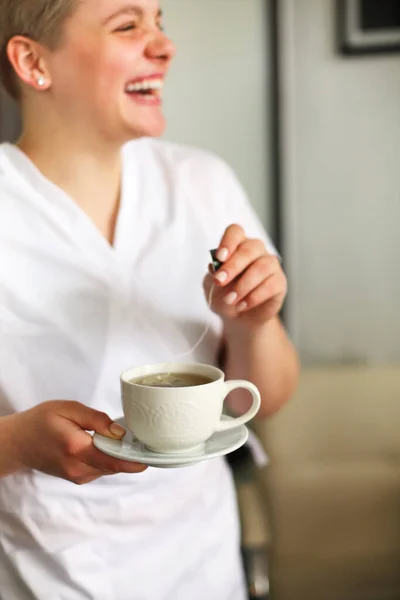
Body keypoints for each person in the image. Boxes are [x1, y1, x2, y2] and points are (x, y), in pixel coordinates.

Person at [0, 0, 299, 598]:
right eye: (128, 25)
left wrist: (254, 323)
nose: (164, 47)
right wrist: (14, 444)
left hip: (202, 565)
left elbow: (265, 399)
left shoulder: (201, 182)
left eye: (161, 22)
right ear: (33, 62)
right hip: (45, 572)